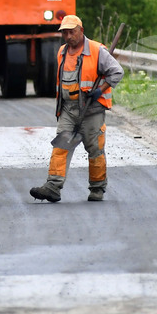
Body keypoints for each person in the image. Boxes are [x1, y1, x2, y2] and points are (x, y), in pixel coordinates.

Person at [31, 14, 123, 203]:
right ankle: (52, 187)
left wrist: (100, 91)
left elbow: (117, 72)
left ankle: (97, 189)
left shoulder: (97, 50)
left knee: (95, 149)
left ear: (81, 30)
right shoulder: (62, 52)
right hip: (68, 110)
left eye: (71, 32)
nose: (68, 36)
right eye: (65, 33)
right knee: (61, 146)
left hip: (92, 110)